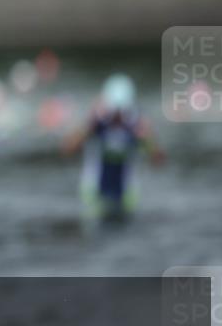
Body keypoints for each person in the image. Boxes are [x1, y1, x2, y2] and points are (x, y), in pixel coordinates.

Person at [62, 73, 164, 228]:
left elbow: (158, 160)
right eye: (114, 109)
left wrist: (148, 138)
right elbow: (67, 150)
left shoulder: (135, 124)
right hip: (94, 190)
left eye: (121, 110)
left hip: (127, 192)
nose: (118, 115)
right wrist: (88, 127)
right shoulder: (97, 123)